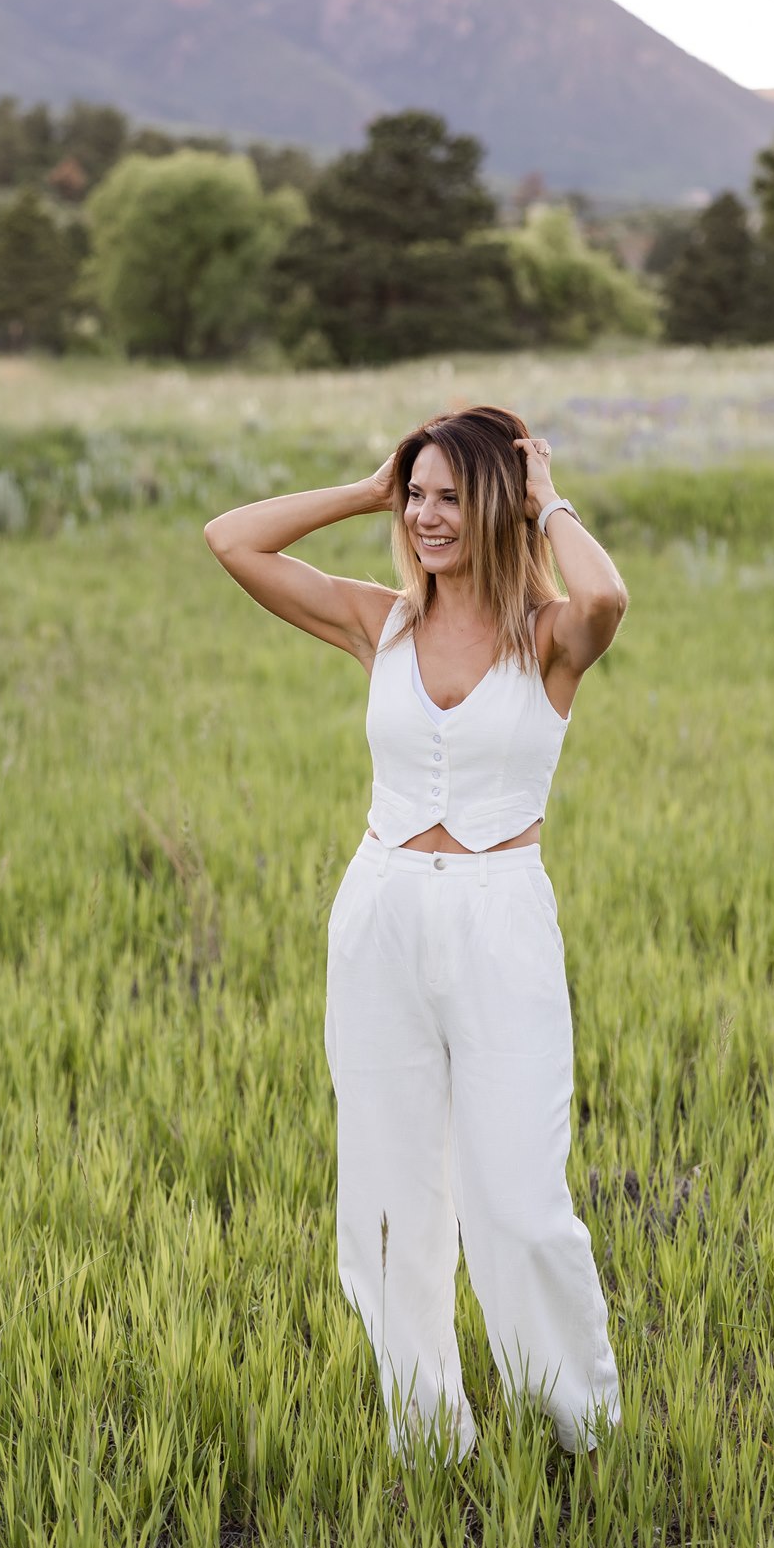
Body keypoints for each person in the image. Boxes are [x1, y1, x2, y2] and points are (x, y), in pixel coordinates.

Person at [204, 404, 626, 1470]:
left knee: (520, 1201)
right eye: (419, 495)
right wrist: (364, 487)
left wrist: (547, 496)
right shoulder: (377, 620)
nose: (428, 516)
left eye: (450, 495)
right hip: (382, 912)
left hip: (500, 919)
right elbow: (231, 539)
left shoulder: (550, 639)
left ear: (498, 503)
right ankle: (429, 1434)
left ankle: (580, 1425)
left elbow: (607, 593)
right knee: (390, 1194)